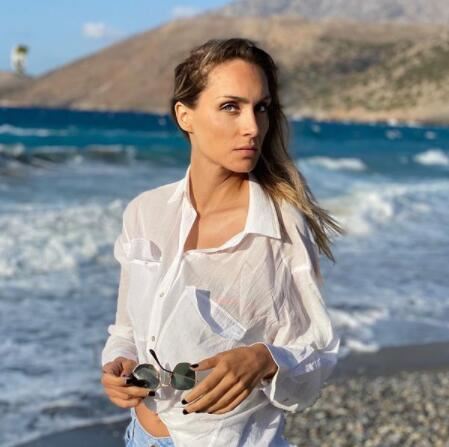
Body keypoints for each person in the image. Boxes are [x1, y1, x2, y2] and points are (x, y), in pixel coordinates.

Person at [100, 37, 344, 447]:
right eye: (231, 107)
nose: (252, 127)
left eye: (261, 108)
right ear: (185, 116)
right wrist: (118, 366)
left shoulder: (280, 229)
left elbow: (318, 355)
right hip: (139, 436)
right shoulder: (144, 213)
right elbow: (126, 330)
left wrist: (265, 359)